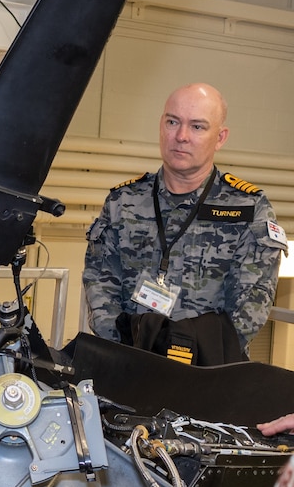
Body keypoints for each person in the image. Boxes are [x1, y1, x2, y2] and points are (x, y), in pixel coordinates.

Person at [84, 82, 286, 365]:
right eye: (172, 122)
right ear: (161, 126)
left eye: (197, 127)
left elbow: (250, 308)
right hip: (130, 365)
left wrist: (185, 354)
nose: (181, 136)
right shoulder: (123, 201)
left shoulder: (248, 209)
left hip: (211, 372)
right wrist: (126, 348)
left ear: (220, 137)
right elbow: (99, 284)